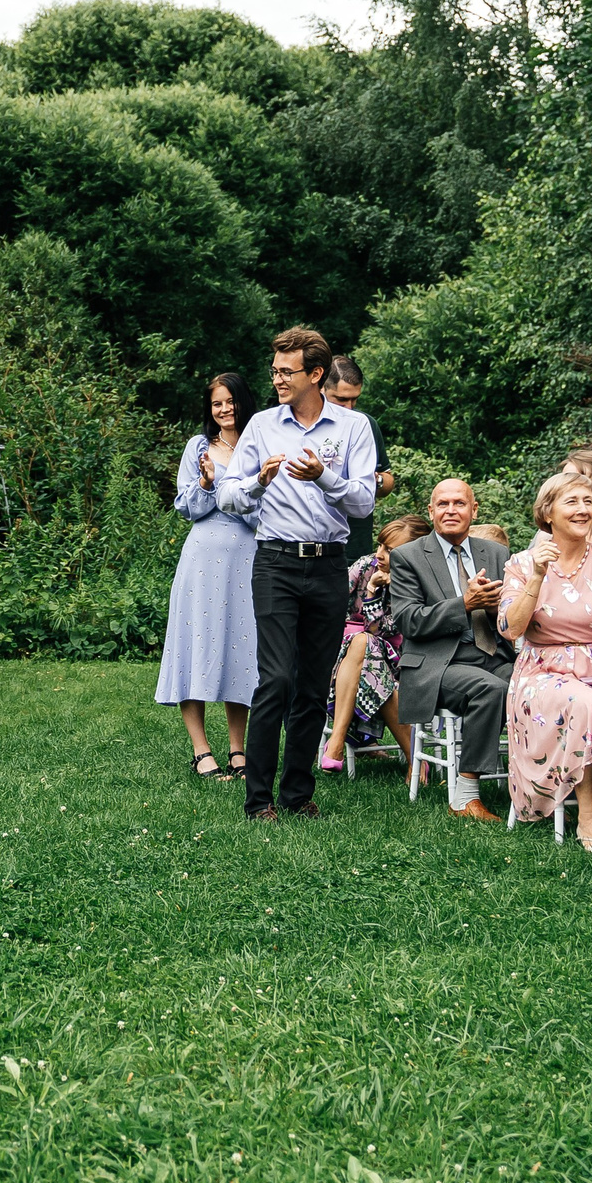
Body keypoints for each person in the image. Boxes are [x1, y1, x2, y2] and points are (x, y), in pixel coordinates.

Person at [220, 329, 380, 821]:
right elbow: (227, 496)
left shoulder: (353, 428)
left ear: (315, 375)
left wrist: (324, 477)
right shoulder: (263, 426)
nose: (277, 380)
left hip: (329, 564)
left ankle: (296, 795)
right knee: (278, 679)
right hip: (275, 563)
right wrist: (258, 480)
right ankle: (258, 799)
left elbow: (365, 500)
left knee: (312, 684)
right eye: (274, 371)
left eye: (286, 372)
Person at [500, 470, 592, 849]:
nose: (582, 510)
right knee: (587, 703)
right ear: (548, 513)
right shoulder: (523, 563)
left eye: (588, 502)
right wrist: (537, 578)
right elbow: (511, 628)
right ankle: (587, 815)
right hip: (544, 670)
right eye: (571, 502)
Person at [387, 480, 515, 820]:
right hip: (438, 664)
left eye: (459, 503)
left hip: (494, 655)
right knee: (492, 690)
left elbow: (513, 613)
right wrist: (466, 603)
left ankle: (538, 787)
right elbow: (408, 620)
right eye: (442, 504)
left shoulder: (497, 553)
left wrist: (493, 608)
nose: (451, 510)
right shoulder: (408, 557)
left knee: (534, 686)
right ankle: (465, 795)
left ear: (474, 510)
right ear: (431, 512)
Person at [157, 372, 260, 780]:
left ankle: (239, 750)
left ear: (243, 401)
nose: (225, 409)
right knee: (195, 644)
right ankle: (202, 751)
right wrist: (205, 483)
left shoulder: (259, 446)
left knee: (242, 648)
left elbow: (266, 510)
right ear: (210, 409)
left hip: (249, 561)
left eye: (231, 401)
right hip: (201, 561)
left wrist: (234, 495)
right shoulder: (198, 447)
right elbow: (187, 508)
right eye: (217, 403)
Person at [320, 514, 432, 772]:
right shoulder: (365, 564)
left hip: (401, 660)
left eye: (390, 550)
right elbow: (333, 601)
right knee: (362, 645)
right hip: (345, 657)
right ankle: (416, 762)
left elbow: (384, 630)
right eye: (381, 545)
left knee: (365, 643)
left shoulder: (420, 582)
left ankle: (335, 743)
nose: (380, 554)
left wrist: (371, 593)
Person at [324, 356, 398, 562]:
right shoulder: (304, 425)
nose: (349, 406)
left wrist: (376, 481)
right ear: (321, 388)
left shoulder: (366, 424)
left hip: (356, 544)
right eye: (340, 399)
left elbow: (388, 479)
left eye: (354, 399)